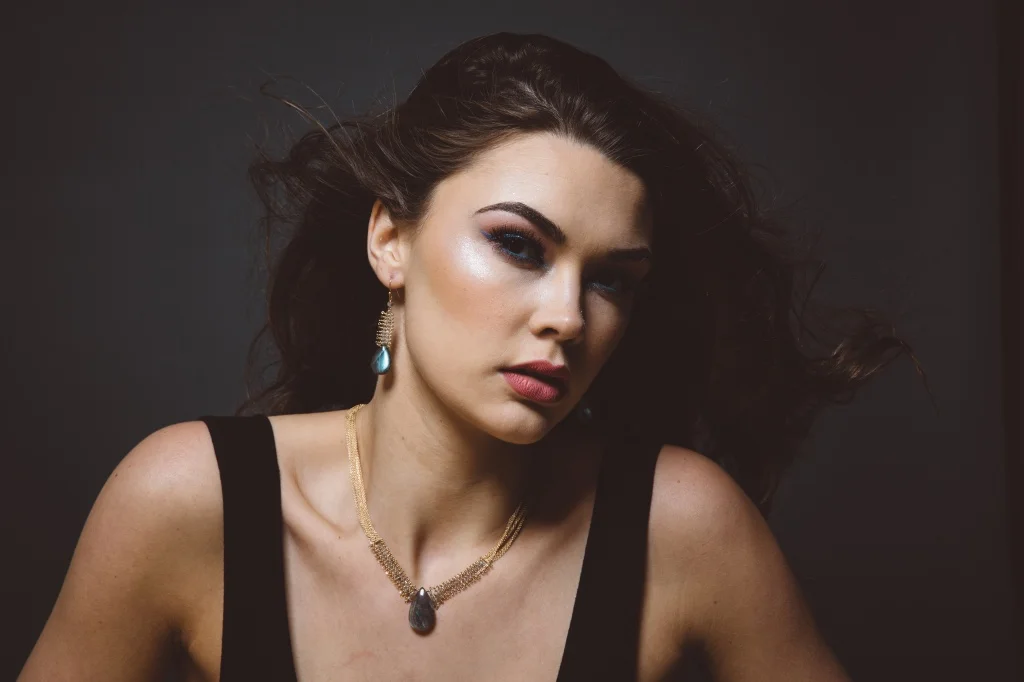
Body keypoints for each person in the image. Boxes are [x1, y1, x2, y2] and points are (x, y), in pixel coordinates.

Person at [19, 32, 920, 681]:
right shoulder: (189, 502)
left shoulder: (681, 528)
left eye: (611, 280)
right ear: (390, 240)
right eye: (519, 246)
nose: (567, 317)